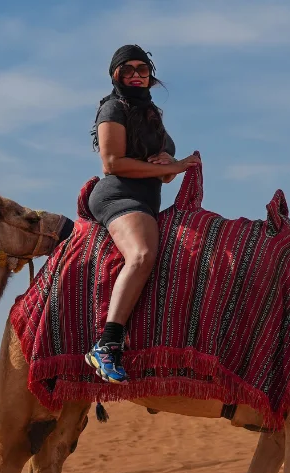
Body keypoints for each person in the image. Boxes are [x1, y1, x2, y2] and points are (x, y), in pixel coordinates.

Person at [85, 44, 200, 383]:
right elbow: (113, 163)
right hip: (119, 195)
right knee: (142, 254)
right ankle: (107, 345)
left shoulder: (153, 117)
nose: (136, 74)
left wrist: (169, 165)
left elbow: (163, 173)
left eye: (142, 69)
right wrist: (174, 165)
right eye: (128, 69)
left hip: (148, 198)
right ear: (116, 75)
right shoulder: (112, 109)